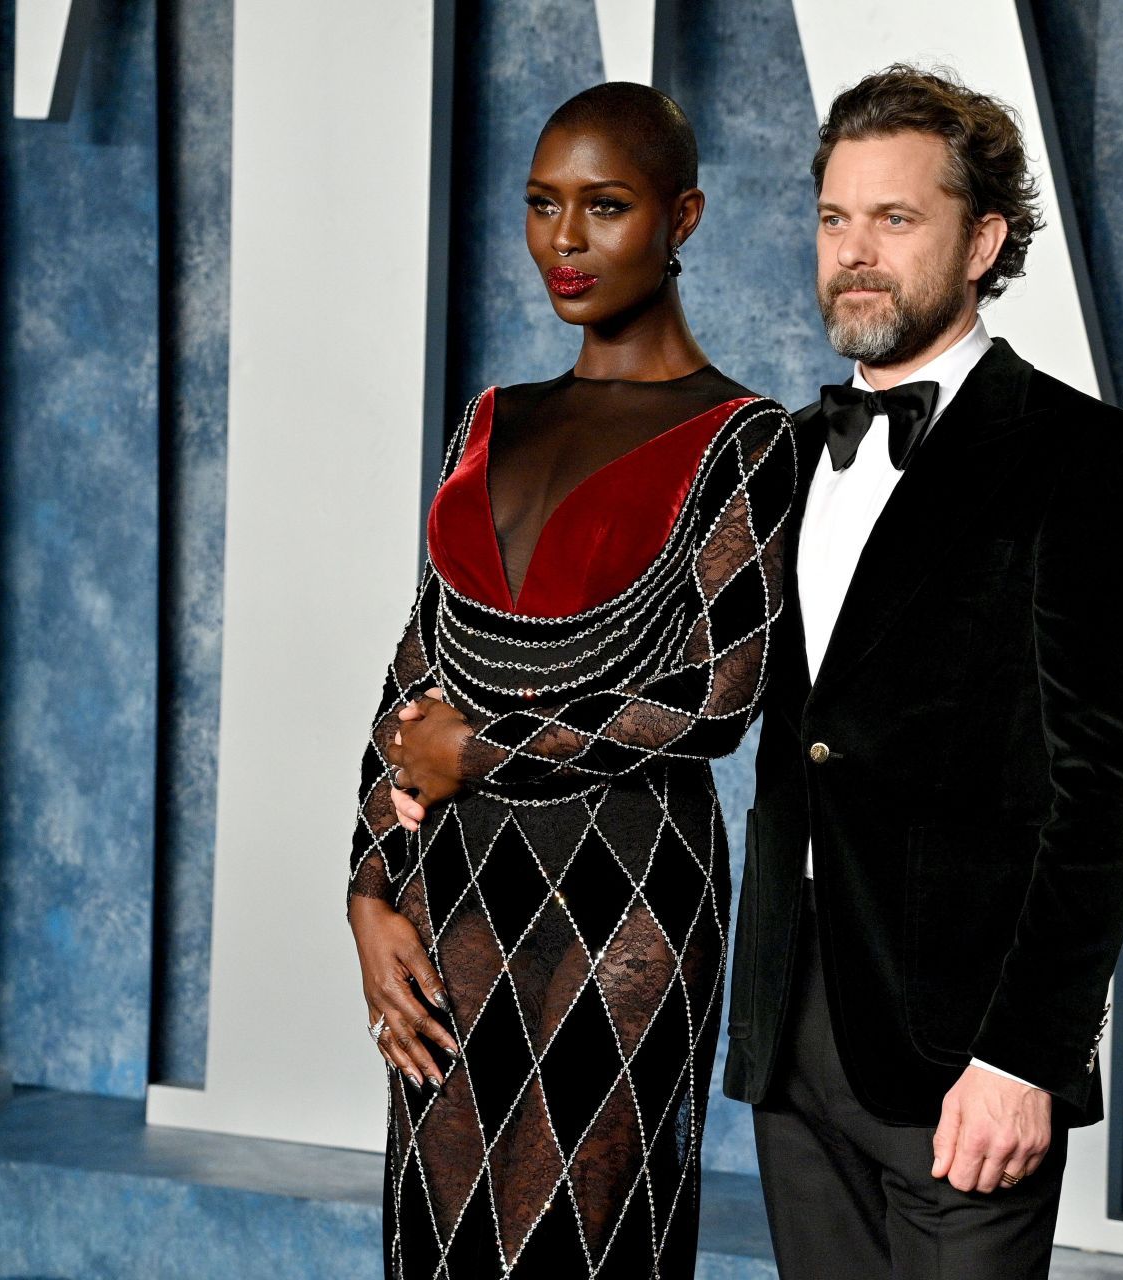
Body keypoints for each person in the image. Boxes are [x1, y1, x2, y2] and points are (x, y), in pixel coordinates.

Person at [721, 66, 1123, 1278]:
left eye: (895, 219)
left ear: (982, 242)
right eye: (834, 218)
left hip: (969, 1049)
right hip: (792, 1027)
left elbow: (1111, 790)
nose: (853, 253)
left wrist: (1029, 1054)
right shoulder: (780, 455)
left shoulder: (1086, 459)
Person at [346, 82, 797, 1279]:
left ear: (682, 215)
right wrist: (366, 888)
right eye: (544, 205)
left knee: (582, 1254)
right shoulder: (489, 418)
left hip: (633, 889)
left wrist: (477, 752)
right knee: (434, 1244)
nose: (566, 240)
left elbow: (718, 697)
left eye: (606, 206)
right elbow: (414, 671)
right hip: (457, 883)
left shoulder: (745, 438)